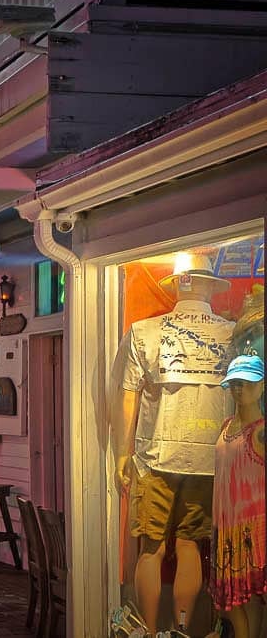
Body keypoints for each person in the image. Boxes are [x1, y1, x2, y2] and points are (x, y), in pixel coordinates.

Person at [110, 255, 233, 634]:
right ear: (211, 286)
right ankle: (180, 628)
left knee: (151, 547)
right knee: (190, 545)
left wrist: (121, 452)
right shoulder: (232, 333)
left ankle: (148, 630)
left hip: (155, 457)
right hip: (209, 459)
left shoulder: (144, 331)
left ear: (177, 285)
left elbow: (127, 396)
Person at [209, 355, 265, 638]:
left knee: (254, 597)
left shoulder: (262, 432)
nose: (240, 389)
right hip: (227, 528)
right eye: (235, 383)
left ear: (261, 386)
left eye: (247, 383)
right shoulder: (226, 426)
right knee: (232, 603)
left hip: (253, 527)